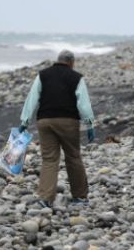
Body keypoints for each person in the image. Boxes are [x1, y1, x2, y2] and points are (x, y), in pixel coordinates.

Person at [19, 49, 96, 208]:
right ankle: (80, 198)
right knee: (73, 157)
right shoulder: (76, 77)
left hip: (45, 121)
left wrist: (25, 121)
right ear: (72, 63)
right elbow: (83, 104)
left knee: (49, 159)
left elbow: (32, 98)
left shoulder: (43, 75)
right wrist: (89, 124)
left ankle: (45, 199)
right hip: (68, 122)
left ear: (58, 60)